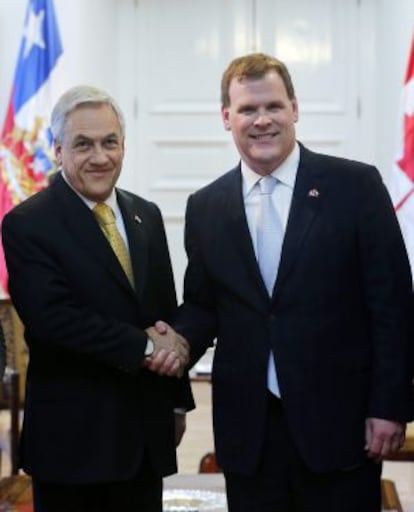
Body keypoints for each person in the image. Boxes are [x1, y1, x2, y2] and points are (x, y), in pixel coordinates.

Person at [148, 53, 414, 511]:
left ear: (294, 108)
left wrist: (390, 406)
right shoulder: (207, 206)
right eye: (248, 110)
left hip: (342, 427)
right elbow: (204, 304)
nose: (262, 120)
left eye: (273, 105)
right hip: (250, 432)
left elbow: (392, 306)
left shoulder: (355, 187)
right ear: (227, 117)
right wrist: (172, 340)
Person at [1, 85, 193, 512]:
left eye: (110, 142)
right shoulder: (28, 224)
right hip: (75, 445)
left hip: (144, 438)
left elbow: (162, 310)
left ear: (123, 145)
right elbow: (54, 320)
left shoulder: (146, 214)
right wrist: (147, 348)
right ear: (57, 150)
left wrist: (177, 399)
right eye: (83, 144)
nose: (100, 156)